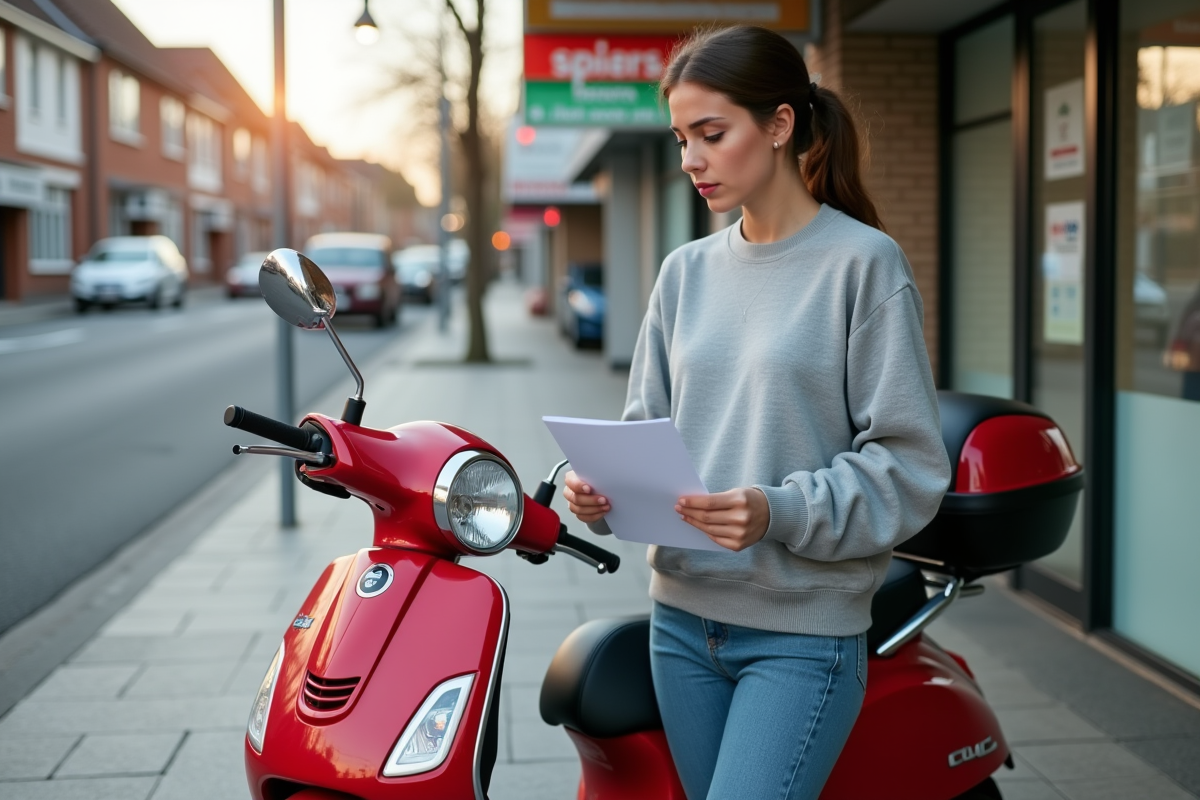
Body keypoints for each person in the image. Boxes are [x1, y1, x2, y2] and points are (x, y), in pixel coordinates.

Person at [562, 25, 952, 800]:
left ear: (778, 125)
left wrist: (774, 512)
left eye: (712, 134)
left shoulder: (864, 265)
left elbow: (907, 468)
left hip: (801, 634)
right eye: (680, 138)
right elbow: (648, 433)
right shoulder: (683, 273)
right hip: (679, 623)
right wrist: (600, 493)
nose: (691, 160)